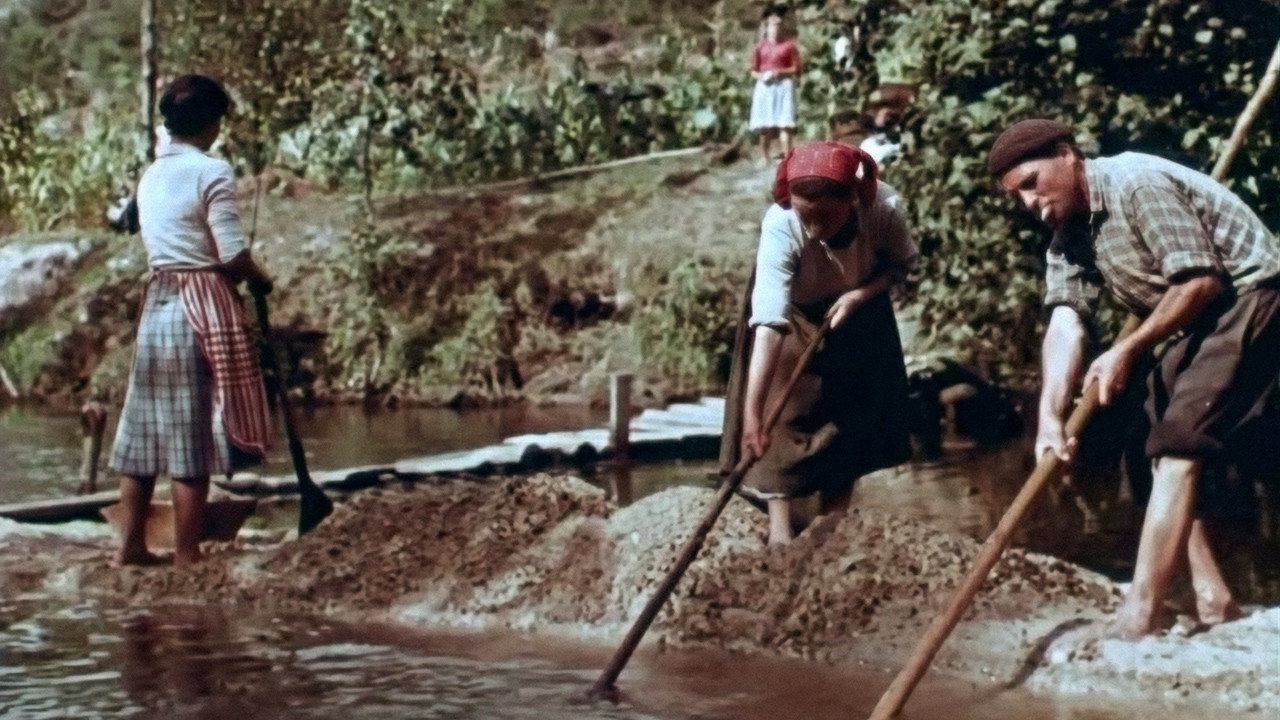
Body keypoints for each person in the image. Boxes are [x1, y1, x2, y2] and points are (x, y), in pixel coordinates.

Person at [988, 118, 1280, 637]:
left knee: (1181, 441)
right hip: (1197, 316)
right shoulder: (1067, 237)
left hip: (1251, 295)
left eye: (1032, 183)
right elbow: (1066, 322)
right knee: (1148, 441)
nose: (1030, 202)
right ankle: (1214, 599)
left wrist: (1126, 349)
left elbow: (1201, 281)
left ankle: (1139, 614)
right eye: (1018, 197)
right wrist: (1051, 416)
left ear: (1067, 154)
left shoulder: (1135, 184)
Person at [107, 74, 275, 568]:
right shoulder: (211, 171)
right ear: (212, 123)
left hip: (158, 301)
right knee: (193, 431)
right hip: (201, 301)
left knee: (143, 430)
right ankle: (186, 552)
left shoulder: (151, 175)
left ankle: (130, 548)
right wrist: (260, 279)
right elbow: (231, 254)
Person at [722, 140, 917, 546]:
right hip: (794, 308)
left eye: (825, 216)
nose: (813, 226)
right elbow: (769, 325)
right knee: (783, 413)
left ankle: (831, 526)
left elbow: (901, 266)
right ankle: (780, 532)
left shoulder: (884, 208)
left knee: (849, 414)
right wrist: (753, 416)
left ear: (852, 199)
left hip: (860, 304)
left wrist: (859, 296)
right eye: (804, 213)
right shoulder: (780, 225)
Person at [748, 5, 802, 166]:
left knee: (785, 123)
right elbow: (753, 71)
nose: (776, 28)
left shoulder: (789, 46)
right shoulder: (760, 47)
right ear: (767, 26)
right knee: (764, 124)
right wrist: (762, 76)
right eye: (773, 25)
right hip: (765, 86)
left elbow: (796, 69)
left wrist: (780, 72)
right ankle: (764, 157)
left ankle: (787, 158)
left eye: (779, 25)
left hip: (784, 85)